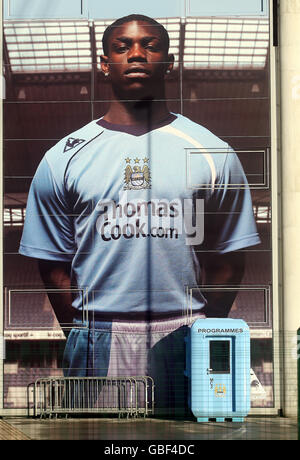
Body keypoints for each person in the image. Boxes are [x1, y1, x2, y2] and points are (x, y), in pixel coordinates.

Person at [19, 14, 260, 417]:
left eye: (150, 45)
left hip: (183, 330)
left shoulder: (212, 151)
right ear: (104, 62)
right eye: (121, 46)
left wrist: (201, 332)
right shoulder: (62, 157)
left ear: (170, 61)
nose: (136, 54)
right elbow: (53, 263)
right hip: (97, 334)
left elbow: (229, 260)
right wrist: (83, 333)